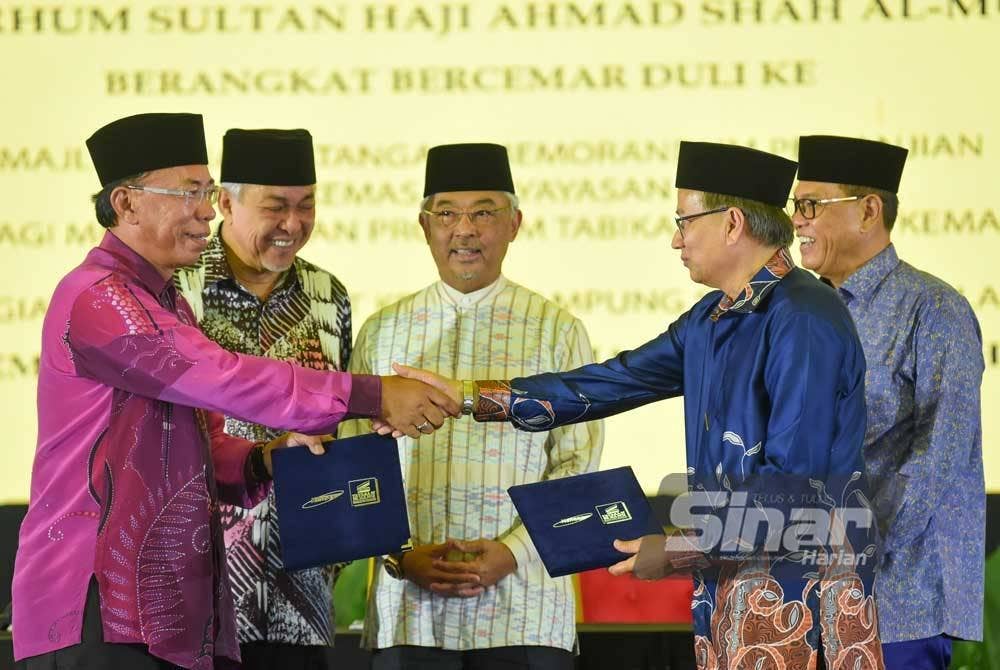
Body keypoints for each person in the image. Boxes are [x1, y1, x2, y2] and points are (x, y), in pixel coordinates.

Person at [391, 141, 886, 669]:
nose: (677, 239)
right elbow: (610, 383)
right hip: (729, 599)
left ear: (733, 223)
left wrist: (675, 551)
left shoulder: (804, 317)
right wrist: (467, 399)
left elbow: (793, 490)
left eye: (685, 221)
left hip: (805, 605)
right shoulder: (711, 319)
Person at [12, 113, 457, 670]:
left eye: (207, 192)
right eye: (189, 194)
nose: (205, 209)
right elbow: (223, 377)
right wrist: (372, 394)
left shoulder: (167, 298)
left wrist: (266, 459)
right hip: (96, 596)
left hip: (176, 606)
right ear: (126, 205)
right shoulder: (99, 297)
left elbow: (200, 438)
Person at [340, 143, 603, 670]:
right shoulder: (383, 332)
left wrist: (513, 551)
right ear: (424, 225)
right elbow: (355, 460)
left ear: (515, 223)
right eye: (447, 213)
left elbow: (578, 466)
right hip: (407, 611)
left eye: (484, 212)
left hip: (526, 613)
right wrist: (398, 554)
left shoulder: (557, 331)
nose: (464, 229)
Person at [793, 134, 984, 670]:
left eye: (810, 206)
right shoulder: (806, 313)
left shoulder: (933, 309)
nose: (797, 222)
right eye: (795, 207)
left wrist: (856, 553)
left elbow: (939, 455)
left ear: (868, 211)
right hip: (805, 603)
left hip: (897, 604)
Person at [175, 128, 350, 669]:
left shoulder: (329, 294)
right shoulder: (179, 289)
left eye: (306, 206)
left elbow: (338, 427)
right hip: (201, 594)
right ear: (225, 202)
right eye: (275, 207)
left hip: (305, 595)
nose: (293, 225)